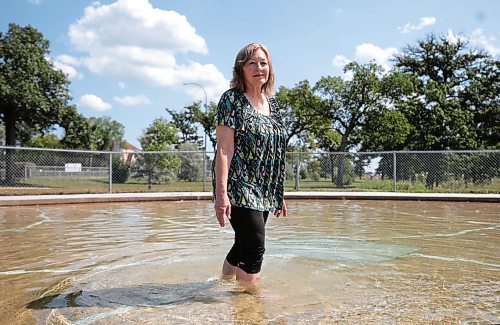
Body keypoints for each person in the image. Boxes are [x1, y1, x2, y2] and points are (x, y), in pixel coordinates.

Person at [213, 43, 288, 287]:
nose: (259, 68)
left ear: (270, 69)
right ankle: (248, 304)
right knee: (256, 246)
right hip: (239, 183)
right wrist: (221, 195)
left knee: (243, 241)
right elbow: (224, 148)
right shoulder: (232, 99)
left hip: (264, 185)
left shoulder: (273, 104)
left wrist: (278, 191)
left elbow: (274, 149)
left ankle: (224, 283)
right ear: (241, 69)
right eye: (252, 63)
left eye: (263, 63)